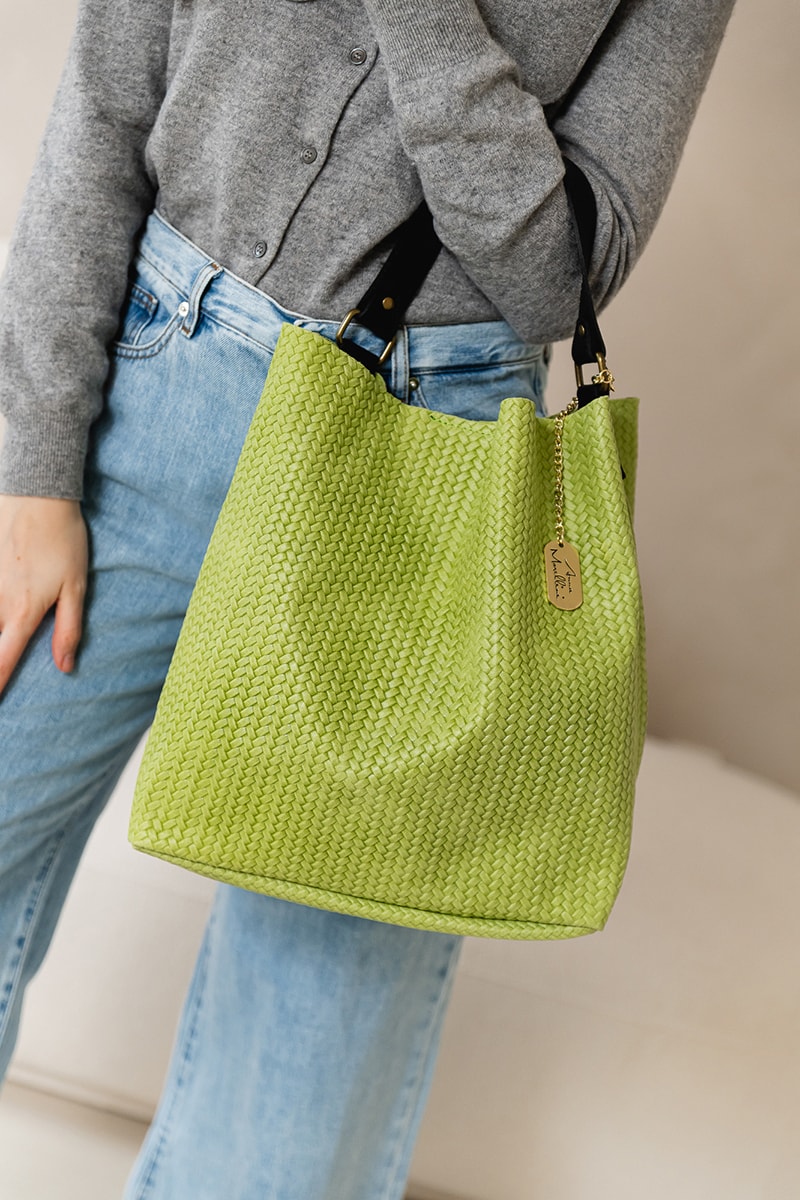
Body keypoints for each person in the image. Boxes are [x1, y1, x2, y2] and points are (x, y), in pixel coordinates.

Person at [0, 1, 734, 1196]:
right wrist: (35, 468)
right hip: (147, 383)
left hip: (427, 466)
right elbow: (106, 94)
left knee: (304, 1052)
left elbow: (557, 277)